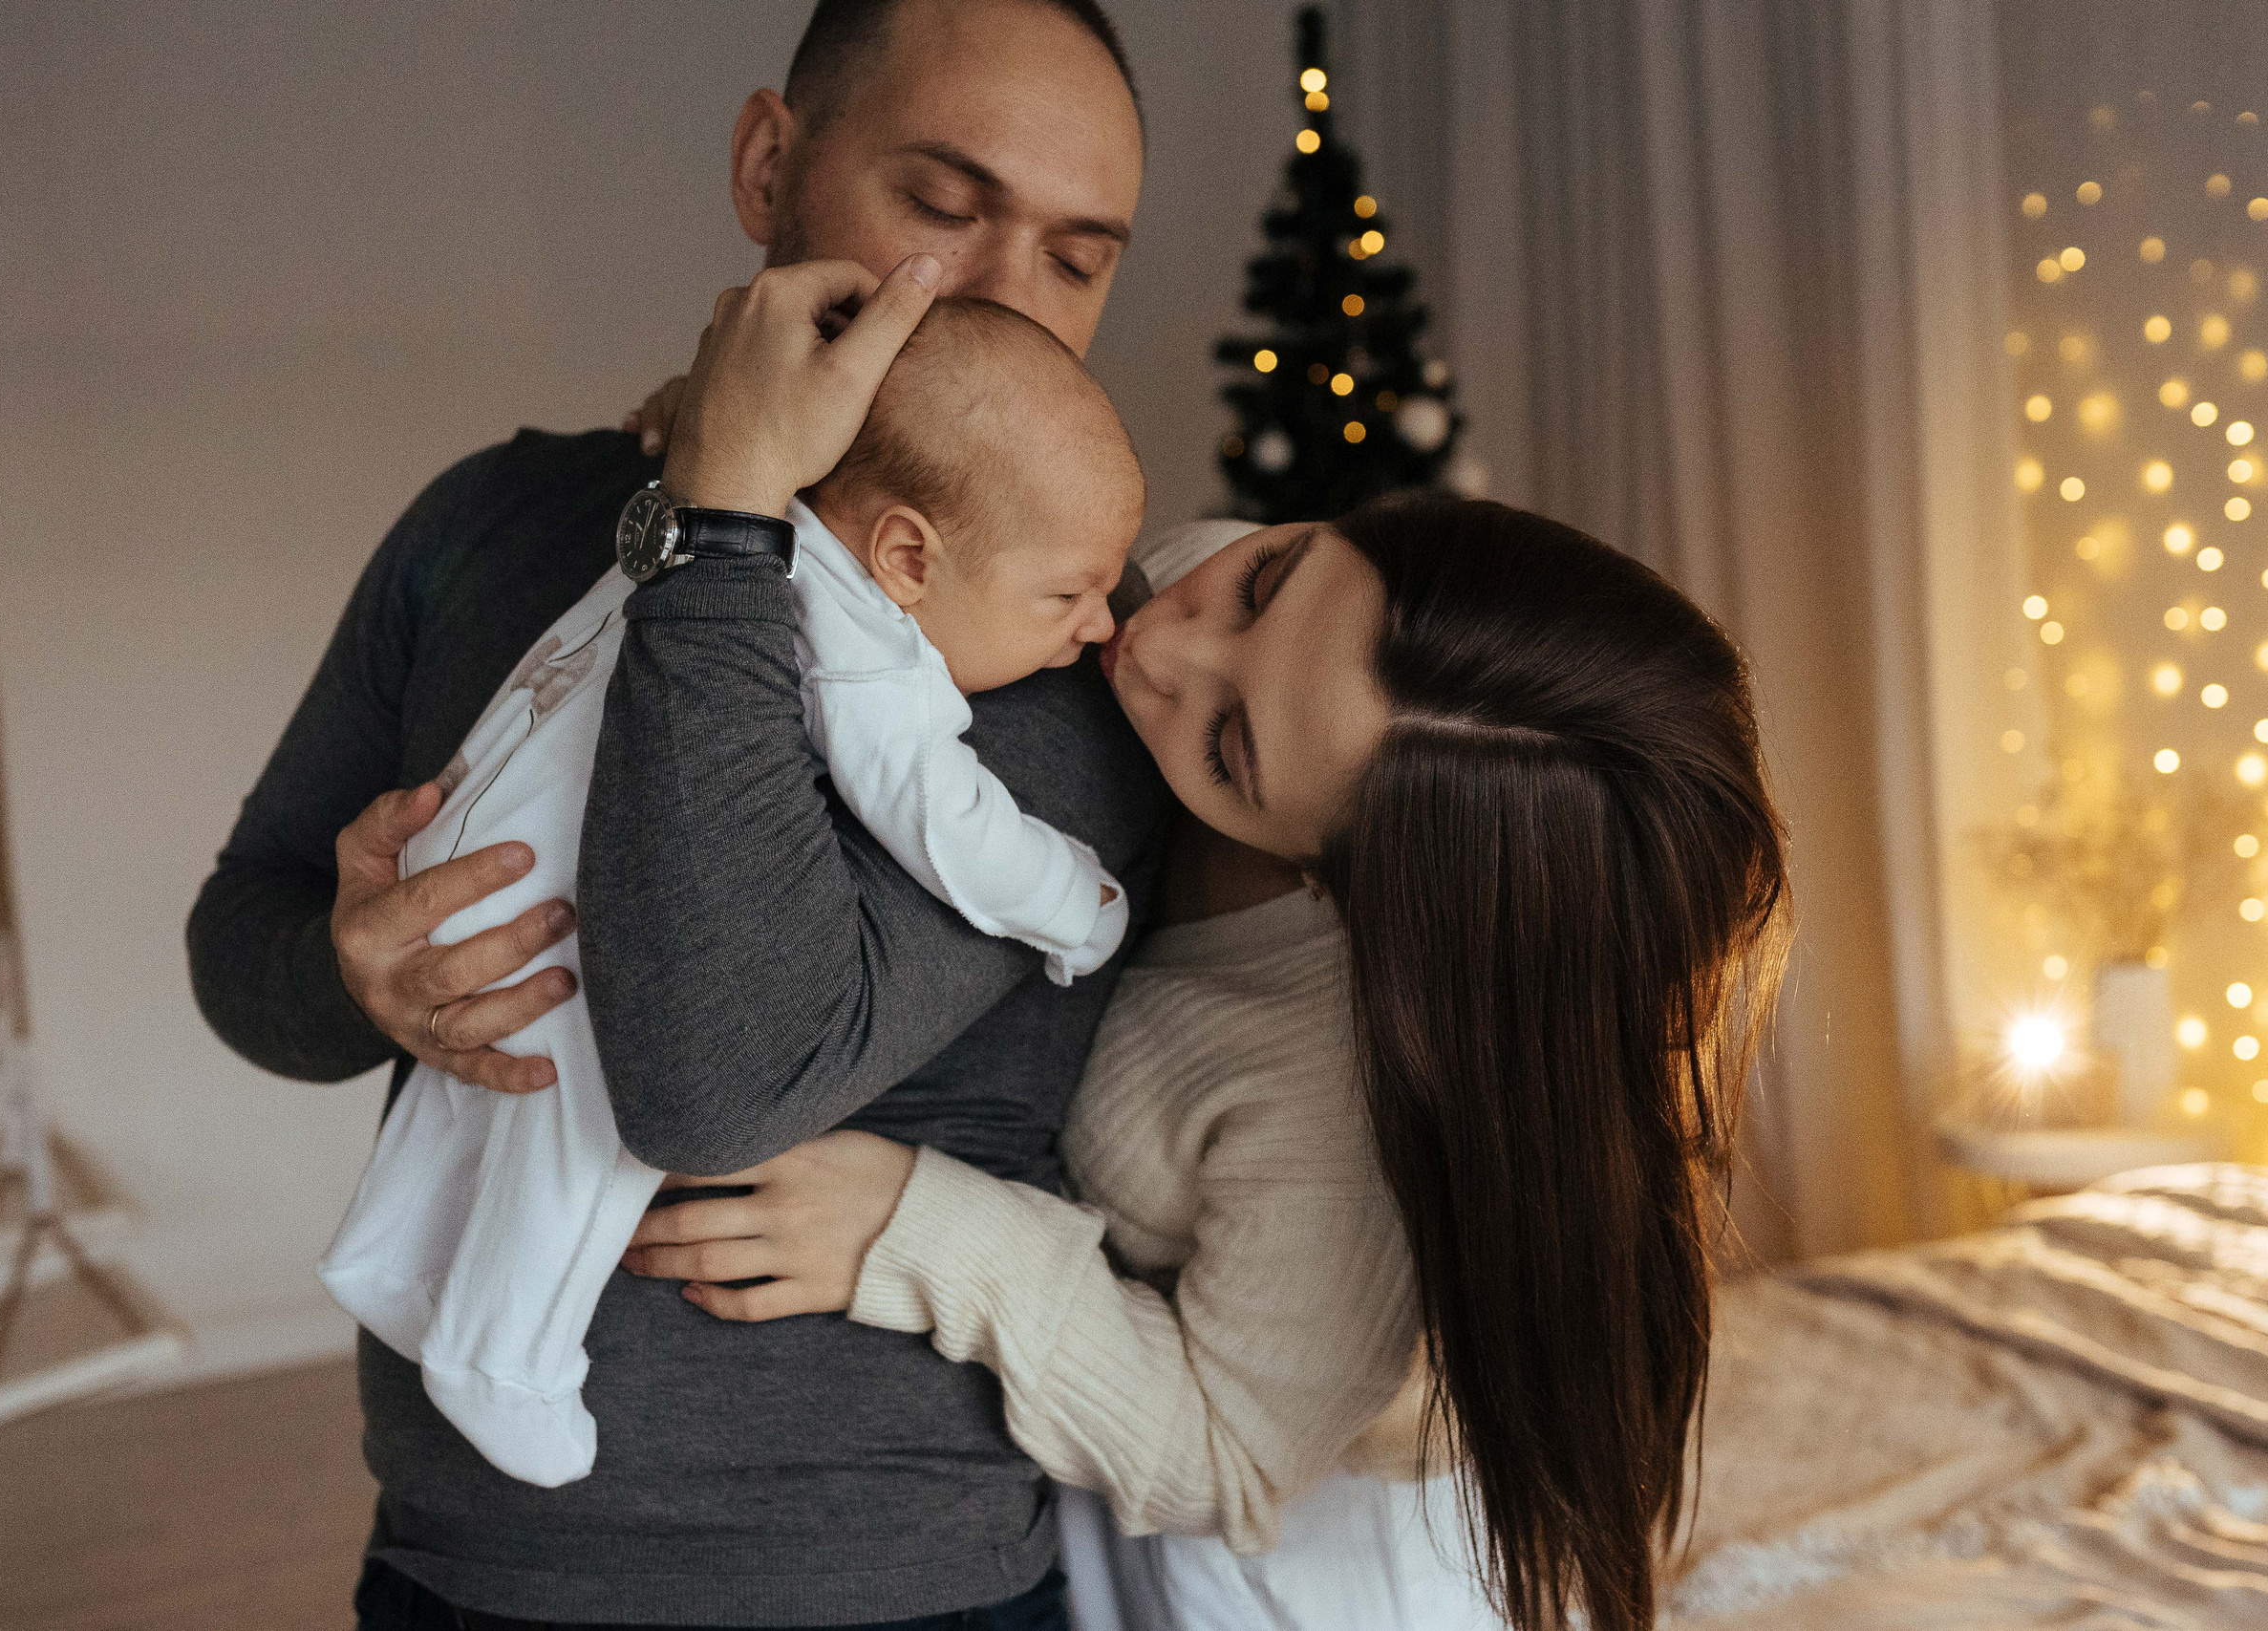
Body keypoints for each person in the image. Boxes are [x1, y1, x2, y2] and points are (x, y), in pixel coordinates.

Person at [600, 276, 1792, 1631]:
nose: (1155, 634)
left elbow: (1227, 1451)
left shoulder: (1337, 1100)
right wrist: (751, 472)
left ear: (1338, 879)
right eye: (1269, 575)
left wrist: (918, 1224)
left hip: (1279, 1563)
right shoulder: (1214, 600)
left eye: (1229, 748)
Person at [185, 1, 1162, 1624]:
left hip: (894, 1579)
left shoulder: (1070, 634)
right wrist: (350, 971)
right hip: (470, 1558)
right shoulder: (490, 522)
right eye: (942, 202)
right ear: (770, 161)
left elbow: (719, 1081)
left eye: (1078, 254)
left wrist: (722, 522)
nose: (1000, 298)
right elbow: (245, 947)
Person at [315, 296, 1142, 1491]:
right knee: (584, 1128)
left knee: (469, 1101)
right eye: (1066, 596)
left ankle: (390, 1257)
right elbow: (940, 815)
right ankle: (506, 1351)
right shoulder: (860, 632)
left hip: (470, 837)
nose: (1099, 625)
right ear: (910, 556)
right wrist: (1078, 903)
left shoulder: (696, 528)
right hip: (556, 897)